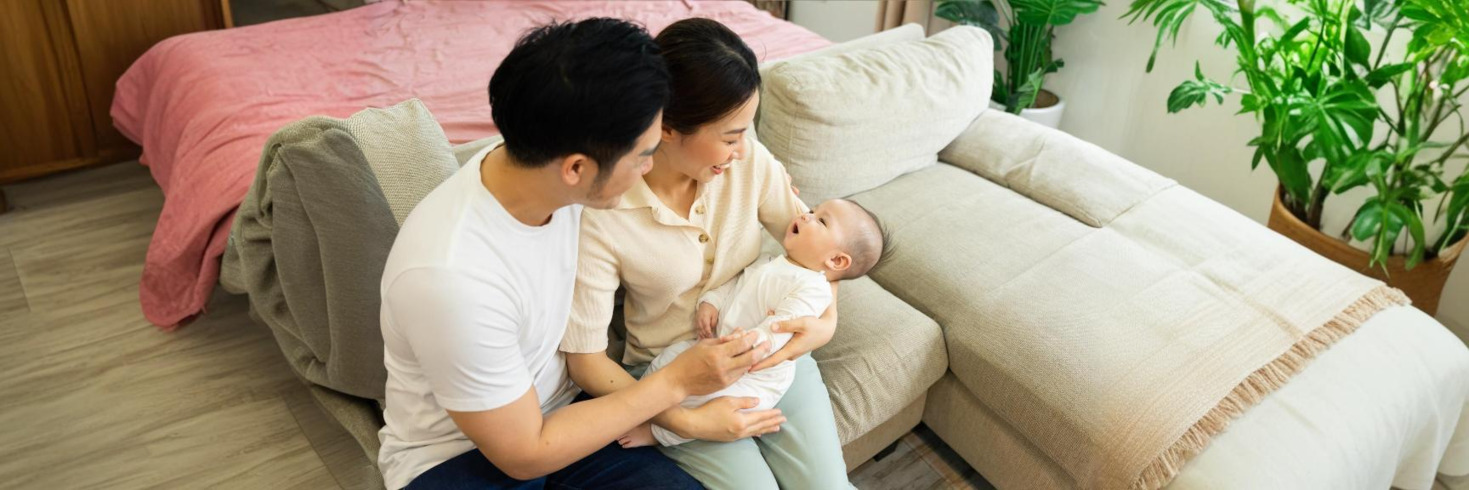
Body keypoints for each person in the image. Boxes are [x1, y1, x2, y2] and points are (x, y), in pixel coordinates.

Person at [376, 18, 769, 489]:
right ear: (577, 169)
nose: (650, 168)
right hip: (460, 457)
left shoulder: (552, 166)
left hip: (572, 413)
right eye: (643, 156)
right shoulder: (450, 278)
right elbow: (523, 455)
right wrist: (676, 385)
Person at [561, 18, 852, 489]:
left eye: (746, 132)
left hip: (767, 359)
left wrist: (826, 322)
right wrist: (682, 420)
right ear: (668, 129)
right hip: (670, 374)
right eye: (731, 136)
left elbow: (824, 250)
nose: (742, 150)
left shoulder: (749, 162)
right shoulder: (604, 212)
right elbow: (585, 361)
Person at [619, 199, 885, 448]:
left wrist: (746, 343)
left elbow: (779, 330)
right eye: (813, 210)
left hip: (755, 374)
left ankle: (658, 434)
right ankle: (644, 404)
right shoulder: (770, 260)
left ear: (836, 260)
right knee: (668, 360)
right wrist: (710, 302)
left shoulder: (813, 289)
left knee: (711, 402)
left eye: (821, 221)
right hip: (716, 346)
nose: (806, 214)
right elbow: (735, 283)